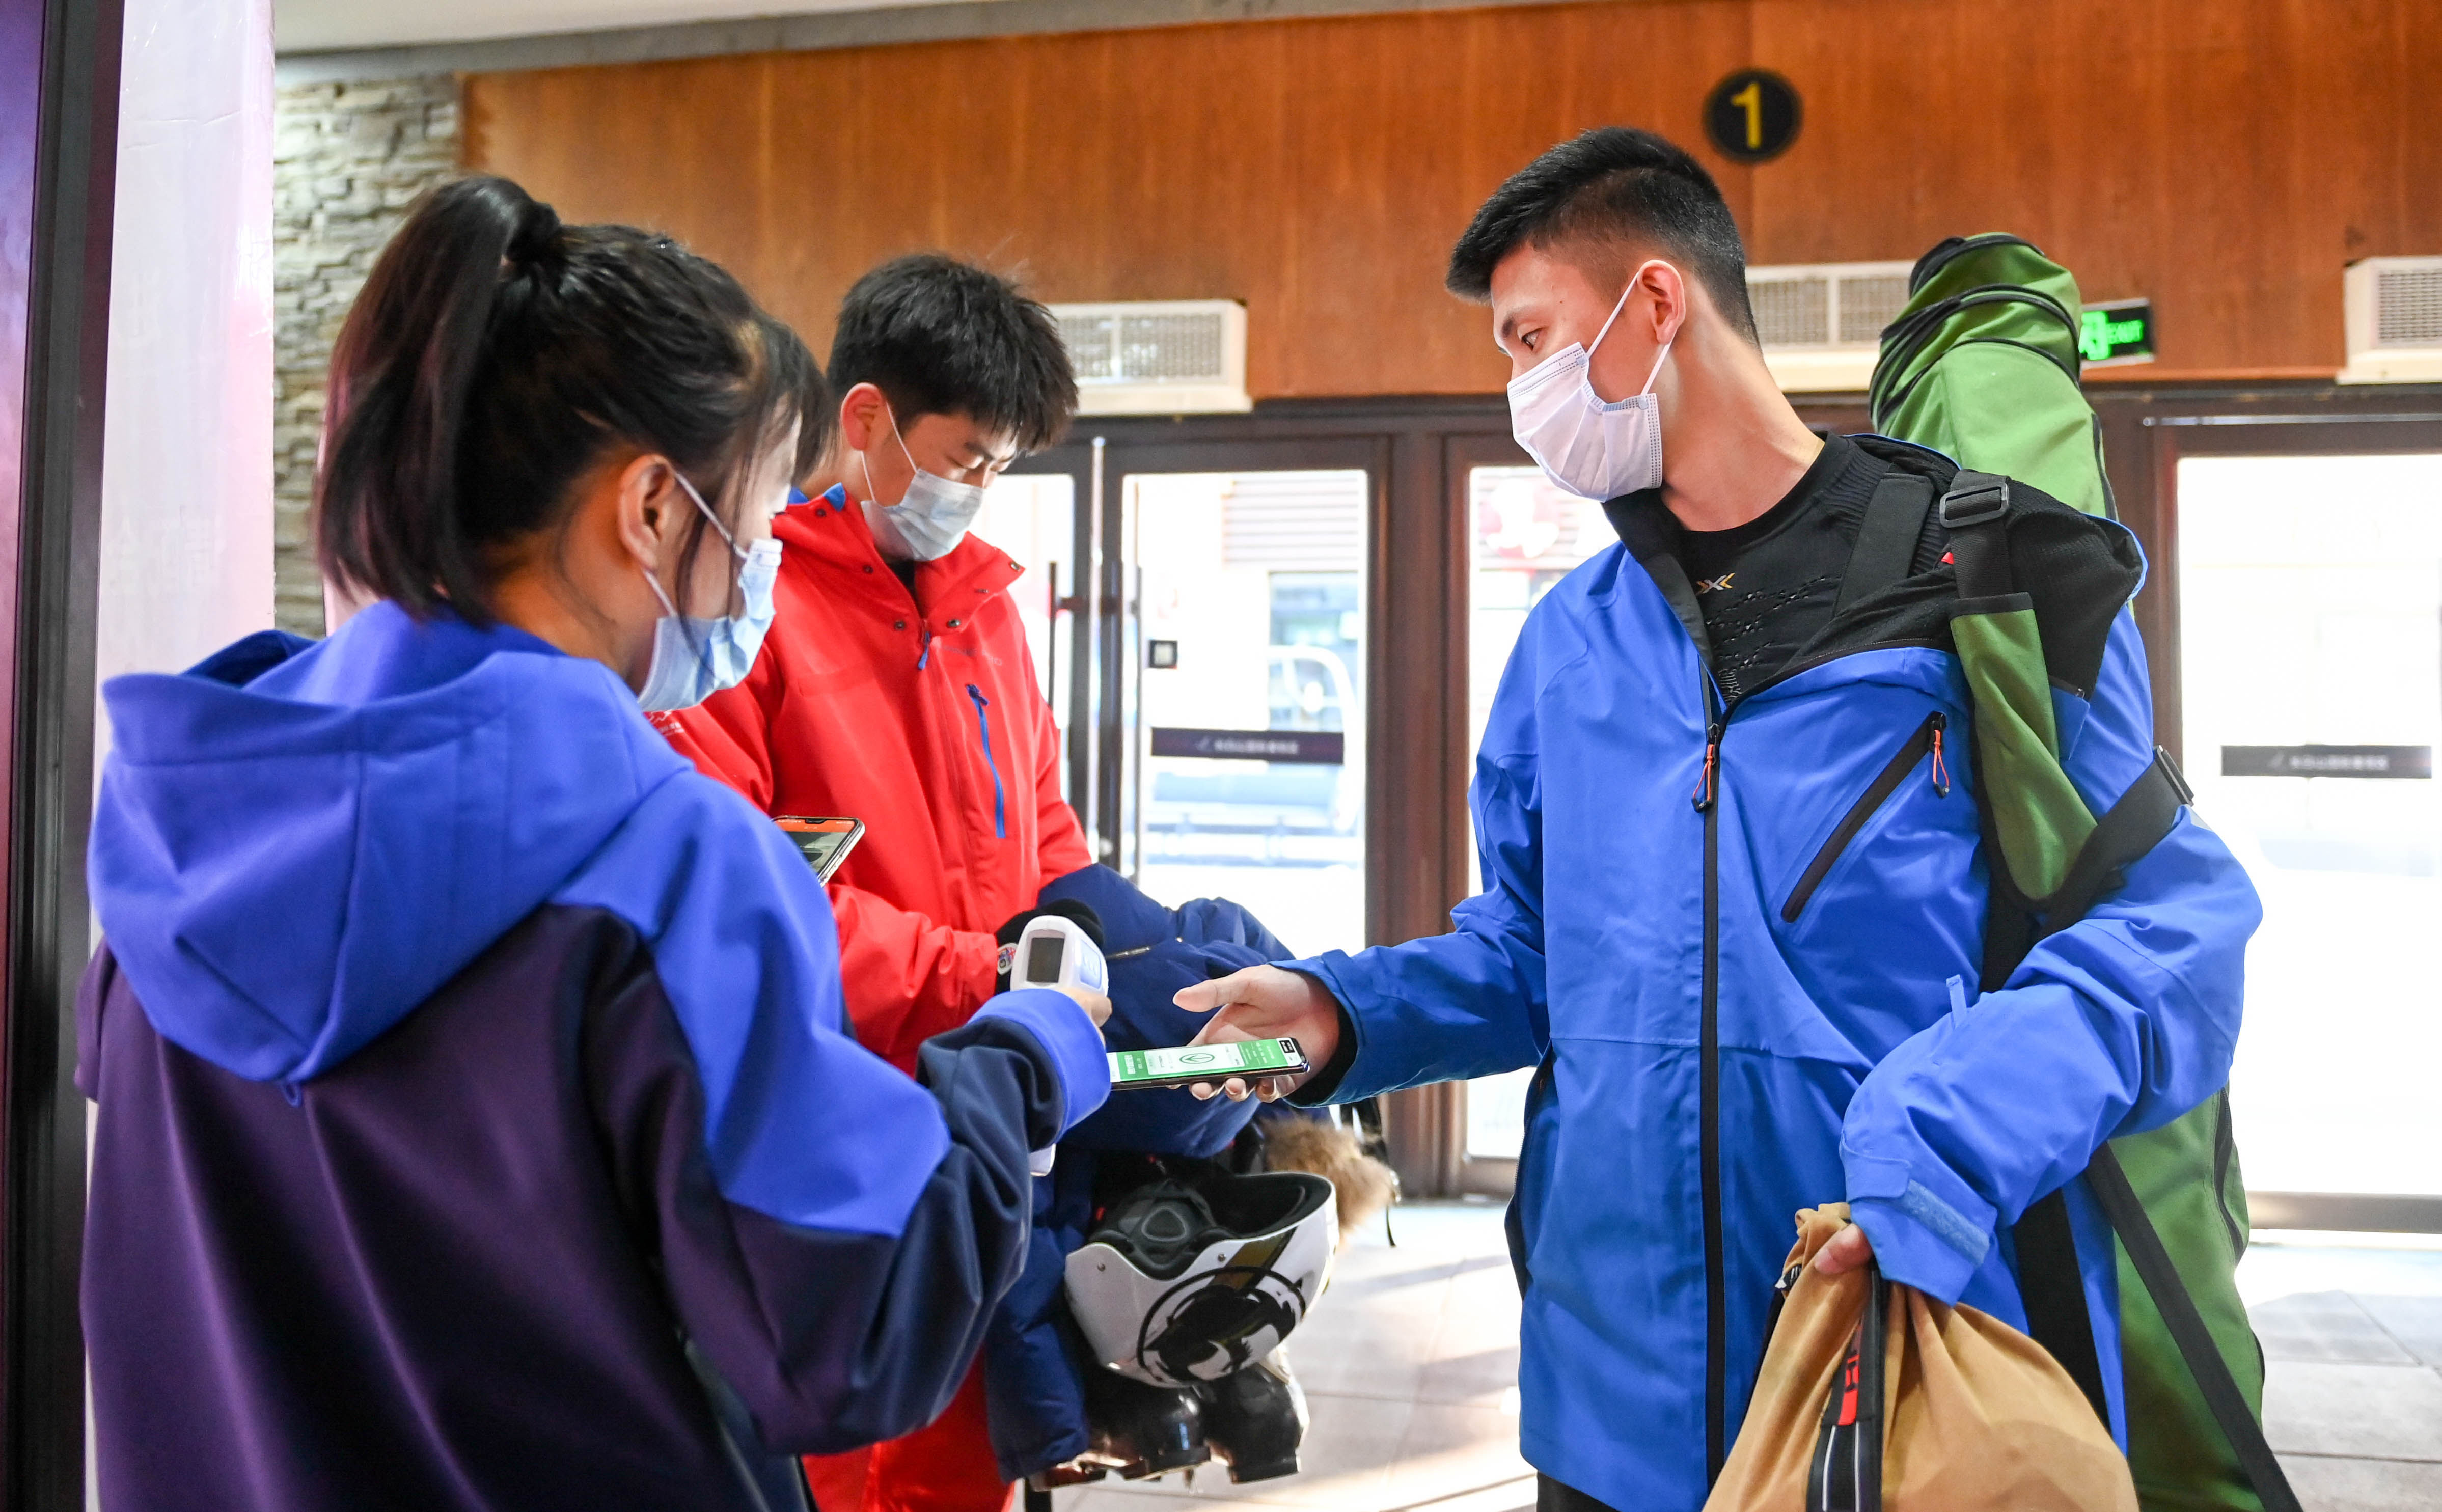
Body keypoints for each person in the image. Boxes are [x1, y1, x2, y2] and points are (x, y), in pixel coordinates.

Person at [1175, 127, 2261, 1512]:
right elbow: (1527, 955)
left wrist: (1947, 1122)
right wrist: (1344, 1010)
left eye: (1529, 339)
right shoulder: (1569, 644)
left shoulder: (1978, 580)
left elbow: (2169, 929)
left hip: (1897, 1355)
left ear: (1653, 303)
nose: (1521, 391)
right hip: (1605, 1396)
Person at [77, 175, 1111, 1512]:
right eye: (757, 514)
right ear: (654, 511)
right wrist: (1020, 1062)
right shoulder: (666, 865)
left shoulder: (190, 807)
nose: (762, 568)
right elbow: (856, 1331)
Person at [656, 254, 1296, 1508]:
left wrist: (1147, 966)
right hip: (843, 1132)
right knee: (857, 1456)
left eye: (1002, 466)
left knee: (971, 1451)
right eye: (964, 456)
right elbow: (743, 901)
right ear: (866, 419)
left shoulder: (990, 617)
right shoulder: (749, 617)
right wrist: (983, 978)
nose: (979, 489)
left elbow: (1046, 845)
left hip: (1003, 1117)